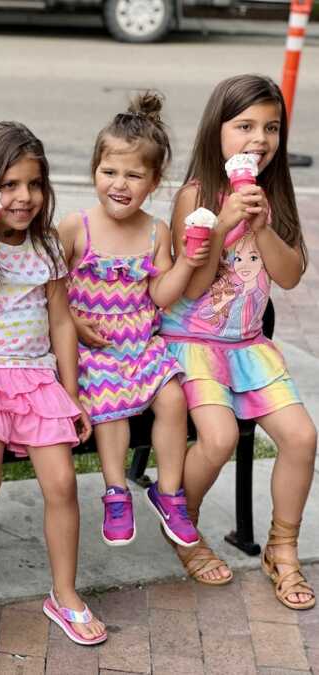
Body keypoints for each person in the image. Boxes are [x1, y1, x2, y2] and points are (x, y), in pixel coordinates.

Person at [0, 120, 106, 672]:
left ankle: (64, 594)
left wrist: (71, 391)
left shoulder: (48, 245)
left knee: (61, 482)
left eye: (33, 184)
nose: (25, 198)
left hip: (35, 377)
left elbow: (61, 321)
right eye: (9, 185)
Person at [161, 74, 315, 610]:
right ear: (216, 132)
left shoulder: (273, 195)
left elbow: (290, 276)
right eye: (244, 125)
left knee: (301, 437)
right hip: (191, 341)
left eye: (271, 127)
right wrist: (224, 226)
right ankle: (184, 523)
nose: (259, 138)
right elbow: (193, 285)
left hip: (249, 346)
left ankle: (282, 548)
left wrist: (263, 225)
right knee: (220, 437)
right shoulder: (195, 197)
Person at [60, 92, 206, 549]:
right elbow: (48, 290)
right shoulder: (75, 227)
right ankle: (116, 490)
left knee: (173, 399)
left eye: (133, 175)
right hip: (94, 349)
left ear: (154, 182)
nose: (119, 184)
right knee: (112, 410)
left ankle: (169, 493)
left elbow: (160, 294)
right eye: (109, 172)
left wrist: (187, 262)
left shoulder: (156, 230)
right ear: (95, 172)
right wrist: (69, 322)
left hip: (142, 344)